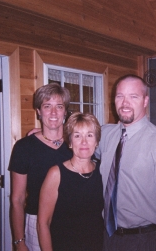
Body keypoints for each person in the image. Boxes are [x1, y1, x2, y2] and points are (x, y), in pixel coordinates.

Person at [95, 74, 156, 251]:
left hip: (143, 240)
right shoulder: (105, 135)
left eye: (133, 96)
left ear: (145, 101)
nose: (125, 103)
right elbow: (78, 142)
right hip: (107, 238)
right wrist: (46, 134)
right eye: (120, 96)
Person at [9, 83, 73, 251]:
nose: (53, 113)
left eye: (59, 107)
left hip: (72, 221)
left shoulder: (77, 144)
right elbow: (17, 199)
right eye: (47, 106)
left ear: (65, 111)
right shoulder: (24, 147)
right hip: (36, 221)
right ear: (38, 111)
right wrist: (19, 241)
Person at [37, 112, 103, 251]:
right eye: (77, 135)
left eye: (89, 135)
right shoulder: (56, 174)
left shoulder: (102, 170)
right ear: (70, 142)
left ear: (96, 141)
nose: (84, 142)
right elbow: (43, 223)